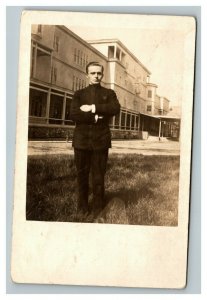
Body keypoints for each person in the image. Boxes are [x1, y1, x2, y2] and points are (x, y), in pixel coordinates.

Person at [70, 61, 120, 220]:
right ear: (87, 75)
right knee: (82, 176)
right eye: (93, 73)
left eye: (99, 73)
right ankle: (82, 208)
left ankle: (98, 209)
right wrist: (98, 117)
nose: (96, 76)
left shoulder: (109, 93)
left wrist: (92, 108)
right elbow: (74, 115)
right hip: (81, 141)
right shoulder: (78, 94)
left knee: (98, 176)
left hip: (101, 140)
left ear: (102, 74)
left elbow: (115, 109)